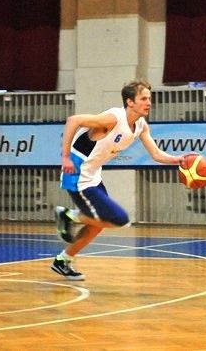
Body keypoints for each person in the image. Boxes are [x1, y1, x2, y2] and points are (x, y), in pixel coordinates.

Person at [51, 79, 184, 280]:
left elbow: (156, 154)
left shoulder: (140, 125)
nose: (149, 103)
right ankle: (69, 215)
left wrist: (179, 160)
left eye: (149, 98)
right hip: (78, 176)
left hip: (93, 176)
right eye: (143, 99)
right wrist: (65, 157)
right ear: (130, 102)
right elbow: (73, 120)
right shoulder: (113, 119)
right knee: (119, 218)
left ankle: (63, 260)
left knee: (97, 225)